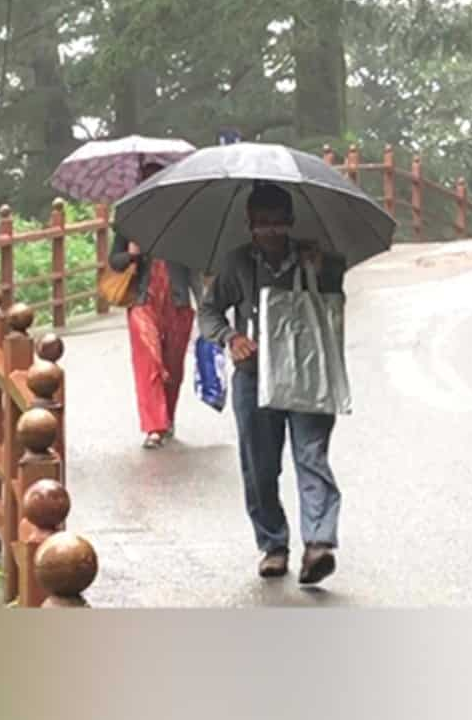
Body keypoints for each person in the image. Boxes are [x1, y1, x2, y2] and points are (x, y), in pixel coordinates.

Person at [198, 182, 347, 586]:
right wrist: (232, 339)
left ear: (290, 222)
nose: (270, 231)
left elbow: (335, 303)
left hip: (307, 374)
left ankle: (318, 543)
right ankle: (273, 545)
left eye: (278, 222)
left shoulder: (316, 258)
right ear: (249, 224)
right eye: (261, 223)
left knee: (311, 455)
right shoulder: (236, 264)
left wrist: (321, 271)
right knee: (260, 467)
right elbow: (209, 312)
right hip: (254, 376)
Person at [110, 162, 204, 449]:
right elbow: (114, 261)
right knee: (149, 362)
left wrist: (204, 304)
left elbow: (196, 265)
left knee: (172, 367)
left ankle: (168, 417)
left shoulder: (185, 220)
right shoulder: (129, 220)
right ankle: (154, 426)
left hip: (176, 301)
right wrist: (131, 256)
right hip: (143, 301)